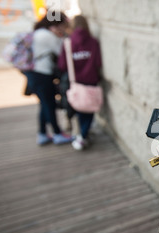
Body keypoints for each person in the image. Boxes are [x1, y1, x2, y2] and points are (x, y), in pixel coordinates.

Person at [24, 11, 74, 146]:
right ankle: (57, 134)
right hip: (42, 74)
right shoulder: (47, 36)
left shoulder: (38, 32)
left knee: (44, 104)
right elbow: (62, 51)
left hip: (34, 73)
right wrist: (63, 36)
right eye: (63, 25)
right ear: (56, 24)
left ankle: (42, 134)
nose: (64, 28)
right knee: (49, 104)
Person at [57, 15, 102, 151]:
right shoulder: (93, 42)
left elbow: (62, 65)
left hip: (75, 82)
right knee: (89, 108)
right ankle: (83, 134)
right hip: (91, 80)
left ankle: (82, 135)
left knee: (80, 108)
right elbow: (98, 62)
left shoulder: (68, 43)